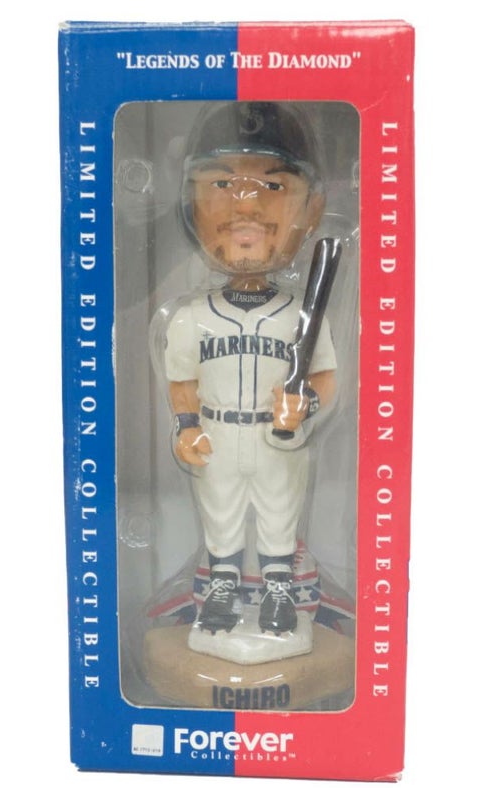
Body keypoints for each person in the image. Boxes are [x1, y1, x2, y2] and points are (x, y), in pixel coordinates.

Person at [161, 102, 337, 635]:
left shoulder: (300, 315)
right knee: (221, 518)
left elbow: (325, 377)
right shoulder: (192, 317)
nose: (246, 205)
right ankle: (220, 594)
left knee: (280, 517)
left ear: (311, 210)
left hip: (276, 438)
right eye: (221, 184)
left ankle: (280, 597)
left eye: (274, 186)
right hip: (217, 432)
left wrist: (305, 403)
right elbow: (182, 382)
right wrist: (186, 426)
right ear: (190, 206)